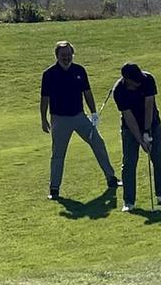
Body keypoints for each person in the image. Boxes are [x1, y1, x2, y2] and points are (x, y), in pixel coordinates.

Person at [40, 40, 119, 200]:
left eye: (69, 55)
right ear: (57, 56)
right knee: (58, 154)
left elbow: (87, 93)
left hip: (79, 116)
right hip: (59, 119)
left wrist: (94, 113)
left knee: (98, 143)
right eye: (63, 55)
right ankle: (54, 189)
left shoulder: (79, 70)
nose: (66, 58)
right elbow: (44, 99)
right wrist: (43, 119)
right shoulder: (49, 74)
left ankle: (111, 178)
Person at [112, 62, 161, 212]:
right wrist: (140, 139)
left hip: (153, 124)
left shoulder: (148, 79)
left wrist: (147, 131)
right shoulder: (119, 90)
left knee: (158, 159)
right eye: (135, 81)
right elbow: (128, 117)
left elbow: (149, 106)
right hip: (129, 129)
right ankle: (129, 202)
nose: (138, 83)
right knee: (129, 163)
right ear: (126, 79)